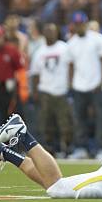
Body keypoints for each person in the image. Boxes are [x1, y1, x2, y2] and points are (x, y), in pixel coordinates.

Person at [66, 12, 102, 160]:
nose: (80, 26)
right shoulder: (71, 42)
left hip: (96, 85)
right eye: (77, 24)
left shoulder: (97, 39)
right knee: (79, 119)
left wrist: (101, 80)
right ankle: (81, 148)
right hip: (79, 85)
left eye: (82, 24)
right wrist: (71, 83)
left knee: (101, 118)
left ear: (86, 23)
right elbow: (71, 65)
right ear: (74, 25)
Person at [29, 23, 73, 155]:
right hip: (45, 91)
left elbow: (71, 66)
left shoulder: (64, 48)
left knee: (64, 122)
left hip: (62, 90)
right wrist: (35, 91)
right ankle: (50, 149)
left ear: (57, 33)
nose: (50, 34)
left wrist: (70, 85)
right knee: (46, 123)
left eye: (53, 31)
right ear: (44, 34)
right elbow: (35, 73)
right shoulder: (39, 52)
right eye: (47, 31)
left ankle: (66, 148)